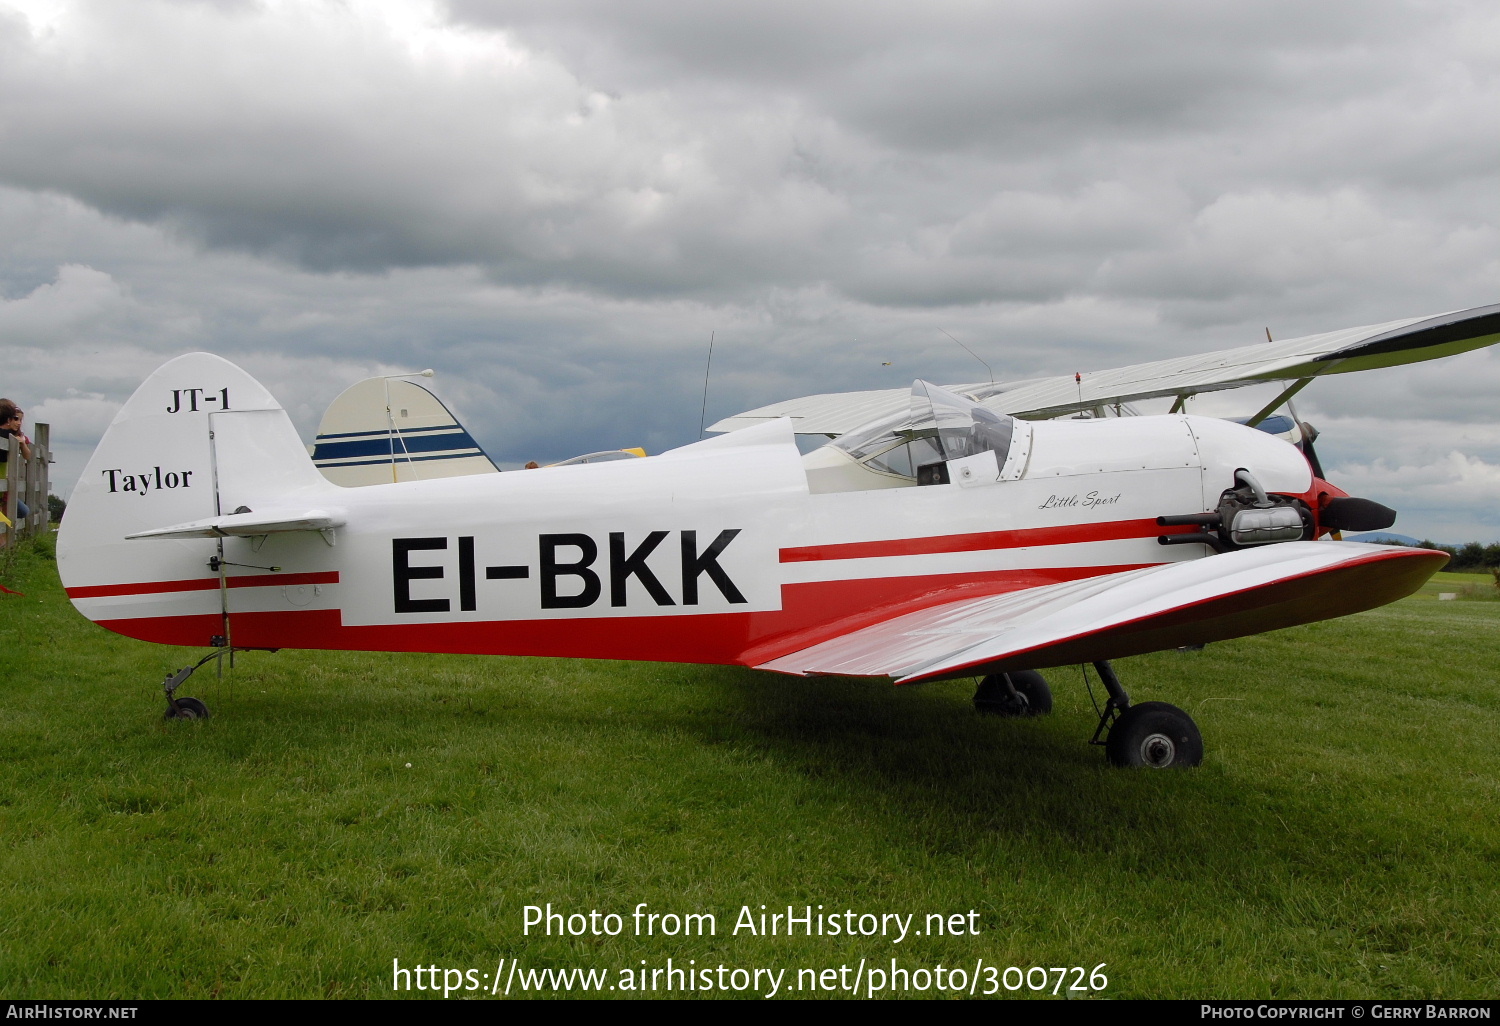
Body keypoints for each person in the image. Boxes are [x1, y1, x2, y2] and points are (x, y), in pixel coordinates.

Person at [0, 400, 33, 522]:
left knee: (22, 511)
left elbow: (28, 456)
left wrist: (23, 443)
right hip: (5, 482)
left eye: (20, 420)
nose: (19, 423)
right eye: (15, 419)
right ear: (8, 420)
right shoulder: (7, 435)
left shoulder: (19, 436)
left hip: (6, 484)